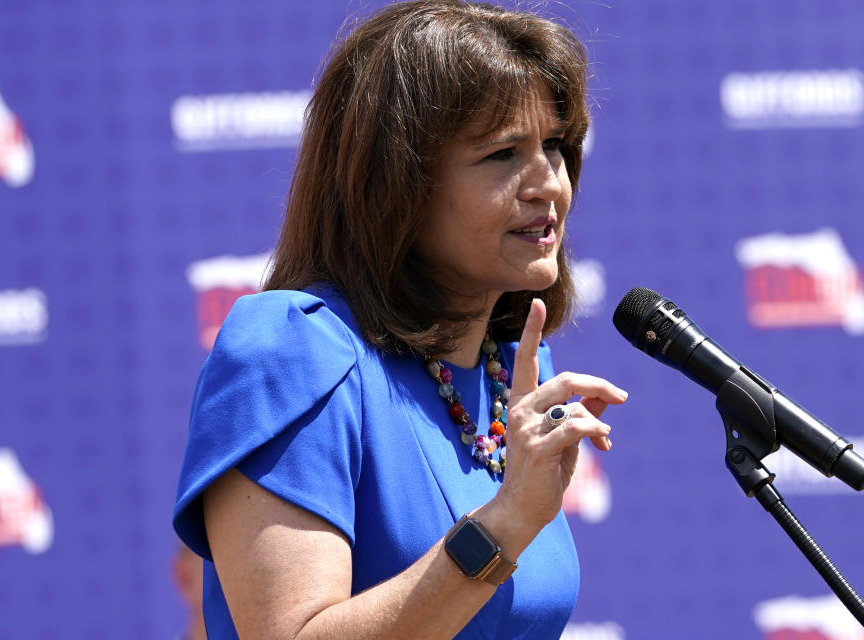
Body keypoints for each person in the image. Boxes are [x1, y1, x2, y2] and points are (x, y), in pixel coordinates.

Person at [173, 1, 628, 638]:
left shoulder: (512, 366)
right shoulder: (292, 351)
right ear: (396, 184)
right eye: (502, 153)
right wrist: (503, 525)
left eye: (553, 145)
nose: (547, 183)